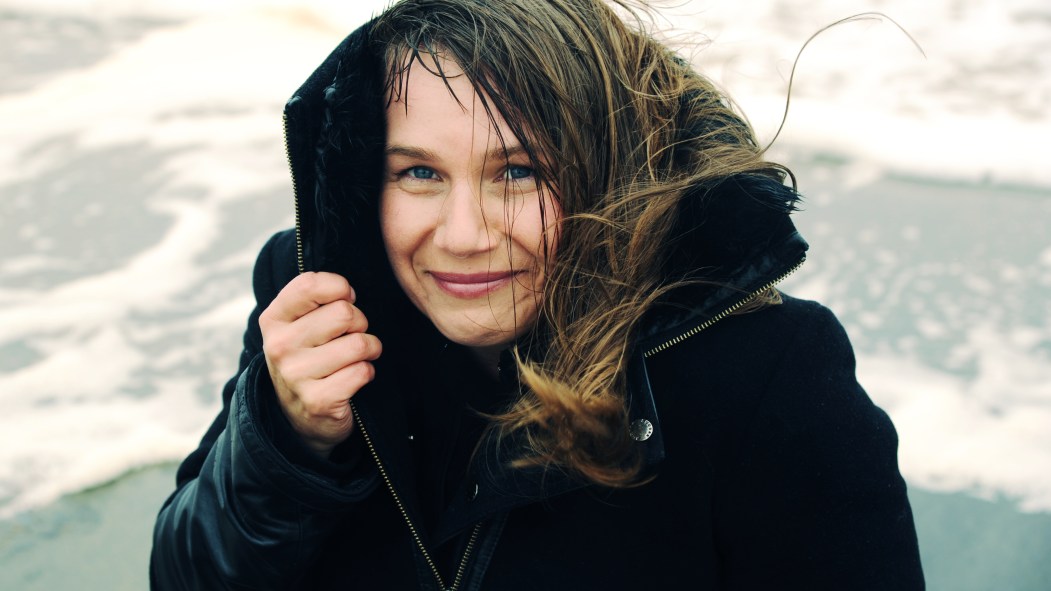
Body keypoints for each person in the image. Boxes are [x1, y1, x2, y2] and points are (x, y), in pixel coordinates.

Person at [150, 0, 925, 588]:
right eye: (417, 172)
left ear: (610, 172)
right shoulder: (314, 304)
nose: (463, 234)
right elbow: (184, 574)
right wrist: (288, 443)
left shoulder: (765, 372)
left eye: (517, 172)